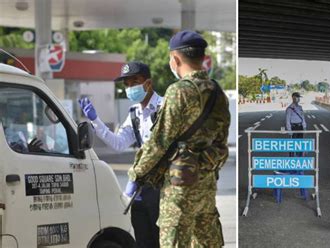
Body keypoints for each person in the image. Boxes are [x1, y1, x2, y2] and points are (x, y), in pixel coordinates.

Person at [128, 30, 230, 247]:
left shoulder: (178, 92)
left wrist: (135, 173)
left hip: (179, 189)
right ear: (202, 57)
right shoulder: (217, 91)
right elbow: (221, 140)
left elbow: (159, 141)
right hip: (207, 187)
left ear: (175, 59)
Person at [78, 61, 162, 248]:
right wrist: (95, 120)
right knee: (143, 240)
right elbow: (119, 143)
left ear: (148, 83)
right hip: (141, 190)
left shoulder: (165, 107)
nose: (130, 87)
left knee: (163, 240)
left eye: (135, 82)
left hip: (163, 187)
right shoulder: (134, 114)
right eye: (127, 84)